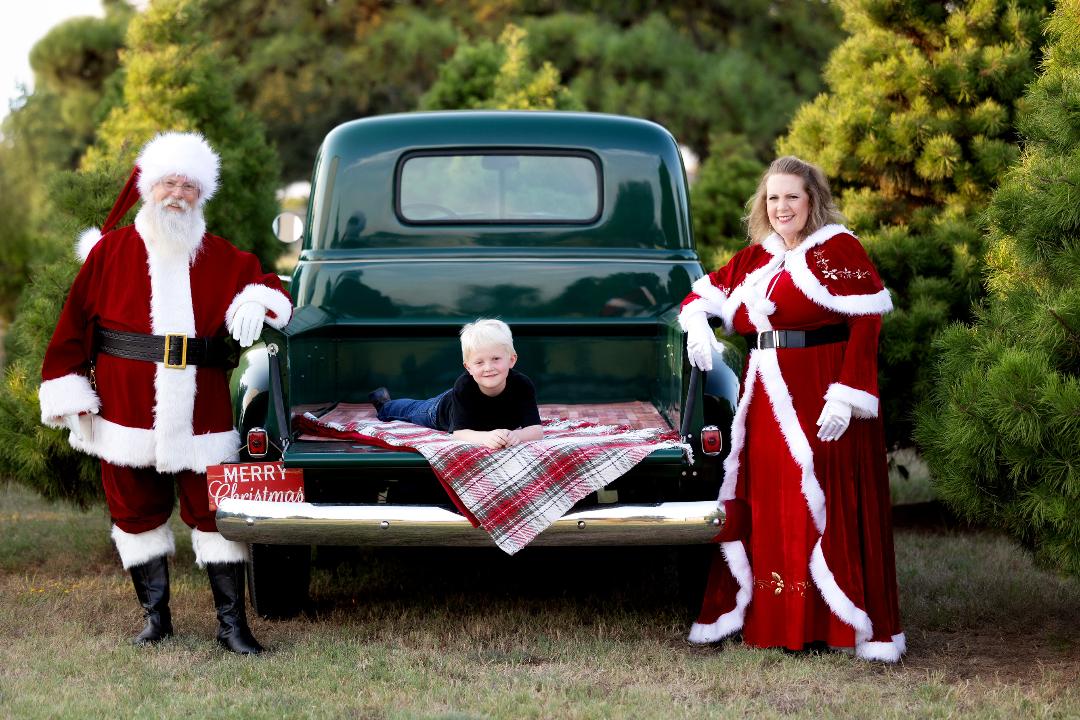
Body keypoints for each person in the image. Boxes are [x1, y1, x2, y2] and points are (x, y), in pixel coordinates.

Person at [38, 131, 293, 655]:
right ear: (149, 188)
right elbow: (72, 327)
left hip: (202, 411)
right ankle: (156, 619)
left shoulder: (222, 256)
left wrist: (258, 299)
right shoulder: (110, 252)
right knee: (134, 510)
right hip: (125, 408)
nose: (177, 194)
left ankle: (232, 626)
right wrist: (69, 388)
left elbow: (272, 285)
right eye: (168, 183)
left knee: (216, 511)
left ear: (201, 195)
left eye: (188, 186)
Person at [679, 156, 904, 662]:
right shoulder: (757, 257)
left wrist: (846, 395)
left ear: (812, 201)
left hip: (820, 394)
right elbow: (701, 296)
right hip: (764, 399)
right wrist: (696, 325)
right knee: (772, 500)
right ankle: (776, 618)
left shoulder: (838, 249)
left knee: (820, 500)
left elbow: (866, 323)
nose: (781, 207)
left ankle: (831, 624)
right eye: (773, 198)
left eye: (792, 197)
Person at [369, 318, 543, 450]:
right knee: (412, 410)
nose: (488, 368)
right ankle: (385, 406)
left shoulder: (522, 385)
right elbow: (459, 433)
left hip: (473, 414)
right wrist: (486, 438)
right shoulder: (465, 385)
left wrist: (516, 435)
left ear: (512, 360)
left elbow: (536, 430)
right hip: (440, 411)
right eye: (479, 362)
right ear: (468, 367)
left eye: (496, 359)